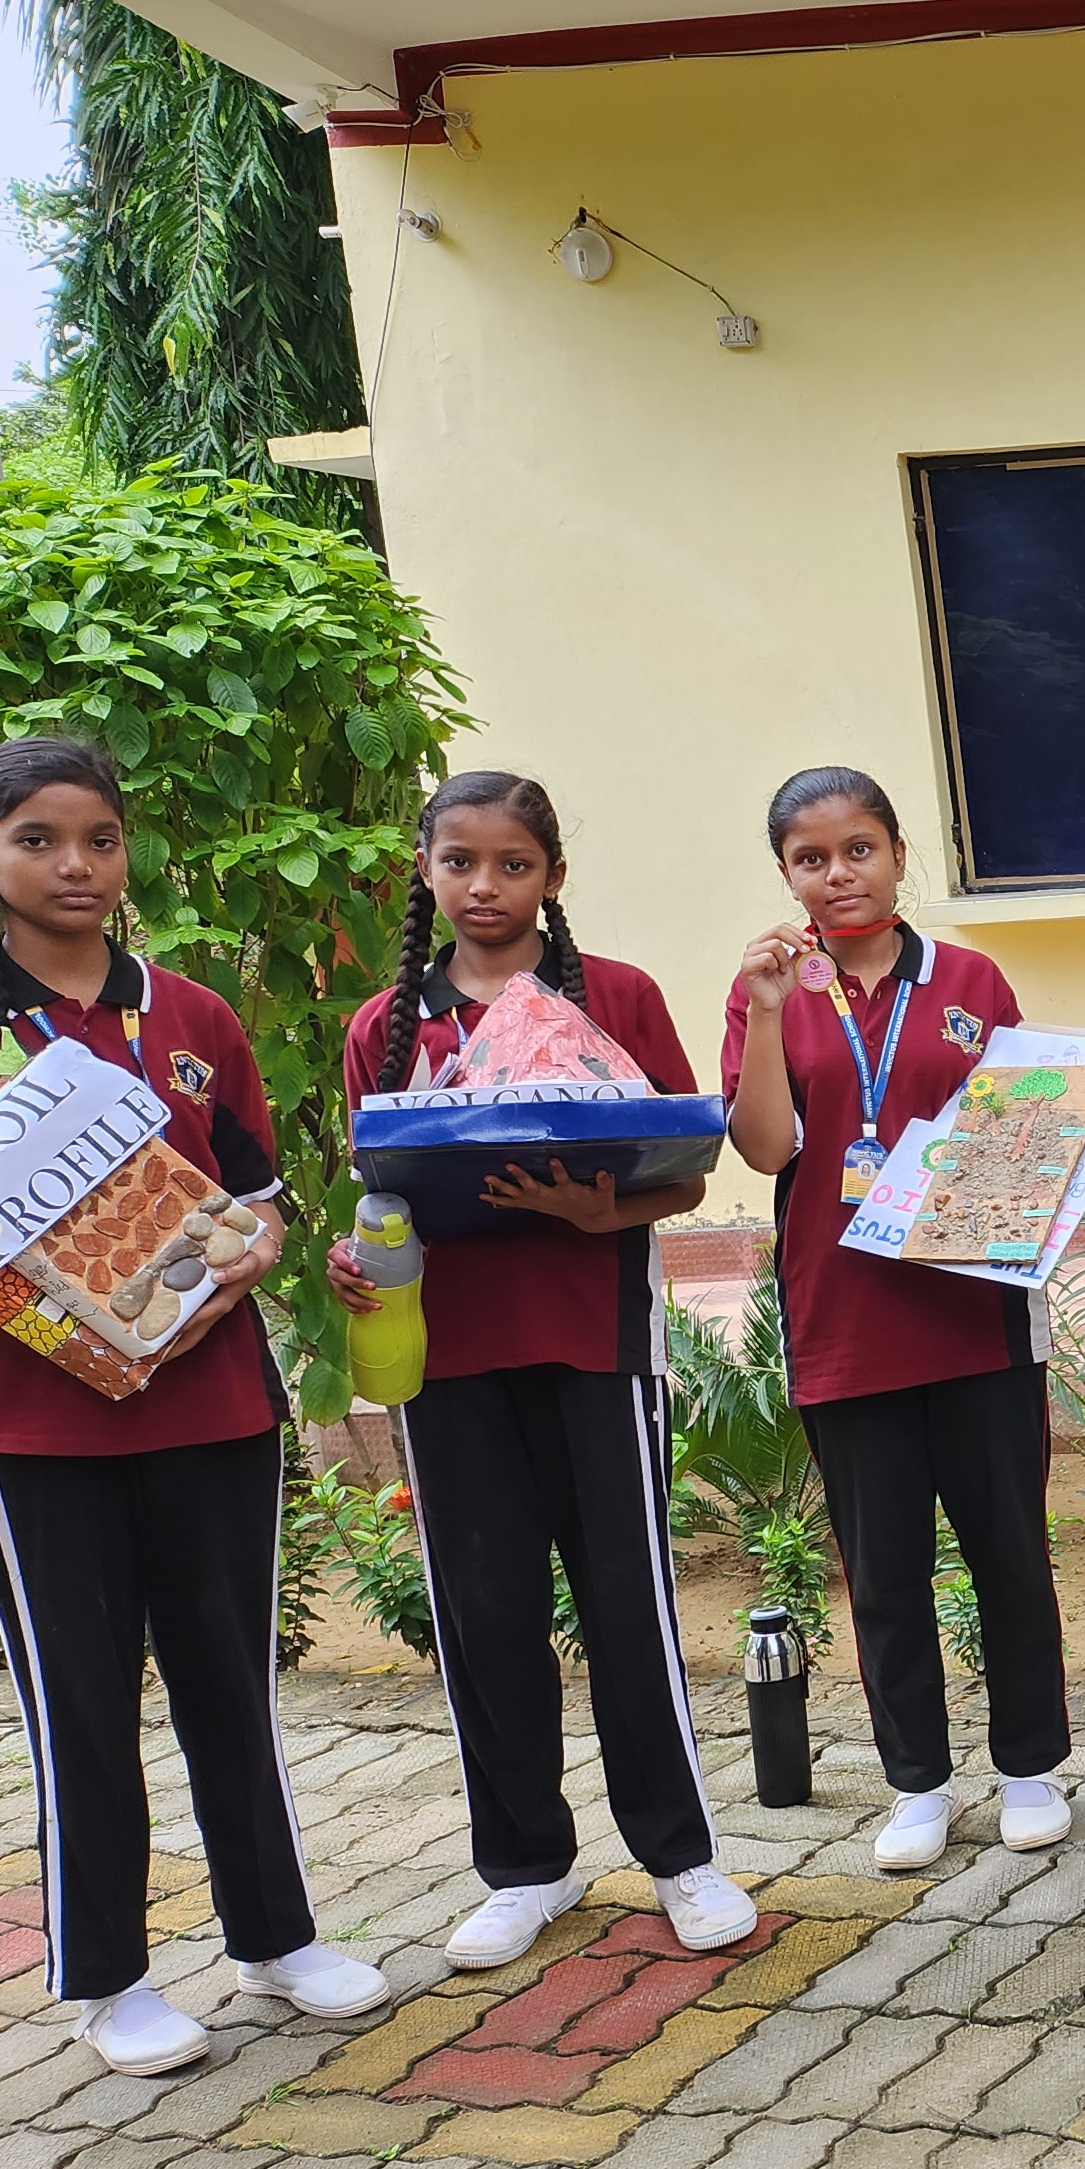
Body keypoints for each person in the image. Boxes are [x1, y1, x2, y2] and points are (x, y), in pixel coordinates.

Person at [0, 737, 387, 2075]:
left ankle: (275, 1938)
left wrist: (256, 1247)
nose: (76, 865)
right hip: (38, 1427)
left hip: (214, 1404)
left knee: (232, 1687)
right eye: (37, 840)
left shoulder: (193, 1016)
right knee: (79, 1704)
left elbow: (255, 1193)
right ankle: (110, 1980)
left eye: (99, 838)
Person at [335, 772, 757, 1967]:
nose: (486, 886)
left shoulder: (616, 996)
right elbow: (375, 1193)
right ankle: (526, 1867)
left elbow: (684, 1172)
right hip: (450, 1359)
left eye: (513, 864)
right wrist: (352, 1258)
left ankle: (680, 1857)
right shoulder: (385, 1026)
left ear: (553, 877)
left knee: (629, 1609)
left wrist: (597, 1214)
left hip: (594, 1344)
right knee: (487, 1618)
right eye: (460, 862)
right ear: (425, 871)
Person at [724, 766, 1073, 1873]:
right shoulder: (768, 991)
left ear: (898, 854)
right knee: (883, 1574)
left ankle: (1030, 1768)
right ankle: (918, 1782)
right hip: (846, 1322)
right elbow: (765, 1149)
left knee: (1009, 1553)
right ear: (787, 873)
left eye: (859, 849)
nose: (839, 874)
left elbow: (1023, 1131)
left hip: (976, 1315)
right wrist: (766, 1013)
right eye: (812, 859)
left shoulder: (970, 978)